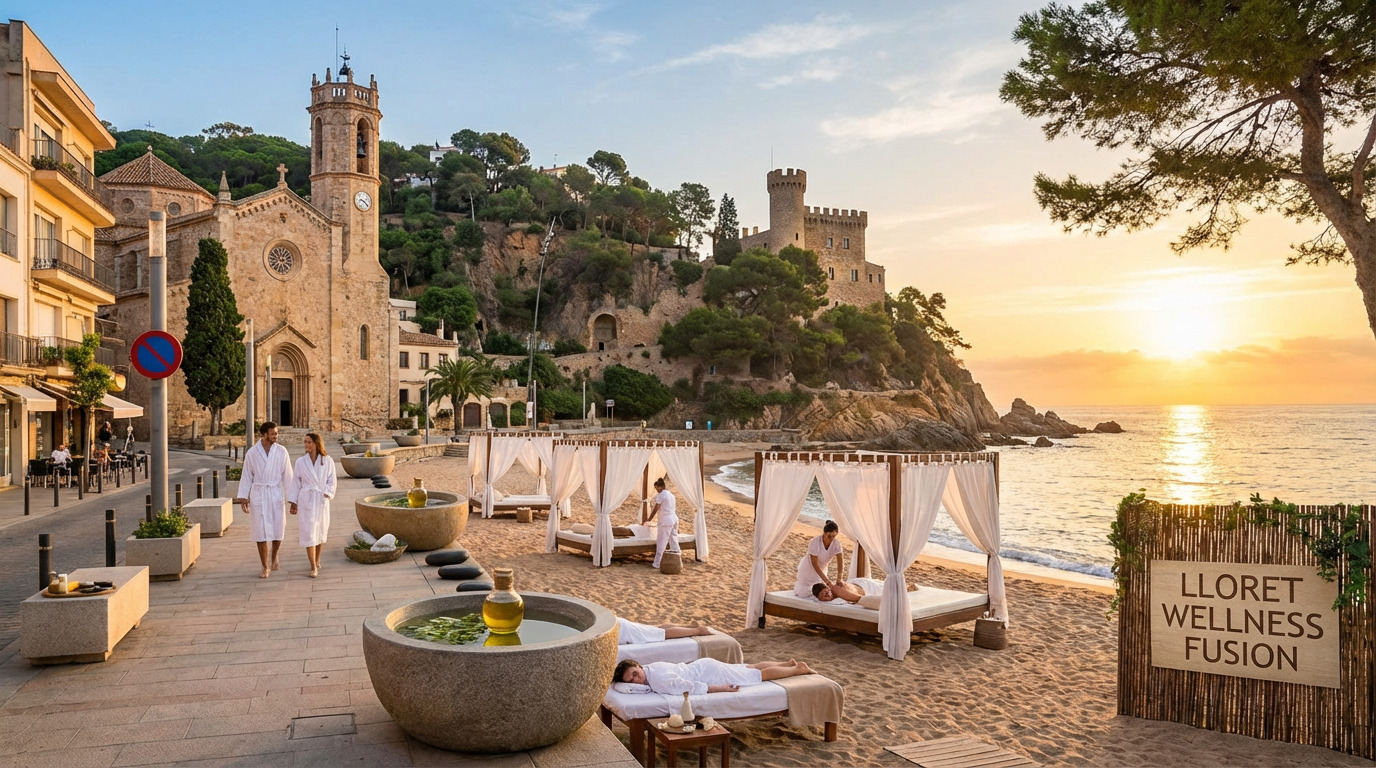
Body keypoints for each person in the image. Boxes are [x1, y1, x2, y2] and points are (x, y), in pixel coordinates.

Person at [235, 421, 293, 579]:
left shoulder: (281, 451)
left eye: (276, 433)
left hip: (275, 492)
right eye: (273, 433)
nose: (276, 436)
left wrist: (293, 499)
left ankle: (274, 555)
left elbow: (288, 476)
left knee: (278, 528)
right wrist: (243, 497)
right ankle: (264, 565)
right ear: (264, 434)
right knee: (260, 531)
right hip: (259, 493)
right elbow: (246, 475)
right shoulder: (252, 453)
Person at [613, 658, 815, 695]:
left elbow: (688, 687)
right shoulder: (651, 668)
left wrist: (721, 688)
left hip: (709, 673)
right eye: (632, 680)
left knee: (756, 675)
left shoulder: (658, 679)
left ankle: (797, 670)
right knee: (749, 667)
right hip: (704, 665)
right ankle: (786, 664)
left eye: (635, 674)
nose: (636, 680)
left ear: (638, 666)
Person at [287, 432, 337, 578]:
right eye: (305, 442)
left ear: (316, 443)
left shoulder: (327, 461)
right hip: (306, 500)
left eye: (309, 442)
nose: (306, 445)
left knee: (320, 531)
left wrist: (328, 492)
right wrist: (293, 501)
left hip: (321, 499)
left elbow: (332, 480)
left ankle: (317, 558)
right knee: (309, 532)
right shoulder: (300, 462)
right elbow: (296, 482)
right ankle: (313, 566)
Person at [794, 521, 845, 597]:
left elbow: (840, 562)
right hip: (808, 568)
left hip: (822, 569)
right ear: (824, 533)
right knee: (803, 593)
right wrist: (828, 582)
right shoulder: (815, 542)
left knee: (820, 593)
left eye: (834, 536)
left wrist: (839, 578)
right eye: (829, 536)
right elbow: (815, 564)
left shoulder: (836, 544)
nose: (831, 539)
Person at [645, 477, 679, 569]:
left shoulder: (661, 495)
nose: (656, 490)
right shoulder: (671, 495)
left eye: (657, 488)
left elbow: (656, 508)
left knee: (661, 541)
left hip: (666, 520)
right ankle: (677, 558)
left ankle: (657, 563)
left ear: (661, 487)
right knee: (673, 539)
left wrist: (649, 519)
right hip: (674, 519)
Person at [617, 617, 711, 645]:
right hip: (619, 625)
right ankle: (689, 627)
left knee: (662, 634)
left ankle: (698, 631)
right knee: (656, 629)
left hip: (622, 630)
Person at [812, 577, 888, 604]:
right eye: (823, 595)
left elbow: (861, 599)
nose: (827, 595)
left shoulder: (836, 590)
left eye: (826, 592)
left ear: (828, 588)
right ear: (820, 599)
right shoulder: (831, 597)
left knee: (886, 588)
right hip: (855, 584)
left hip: (865, 587)